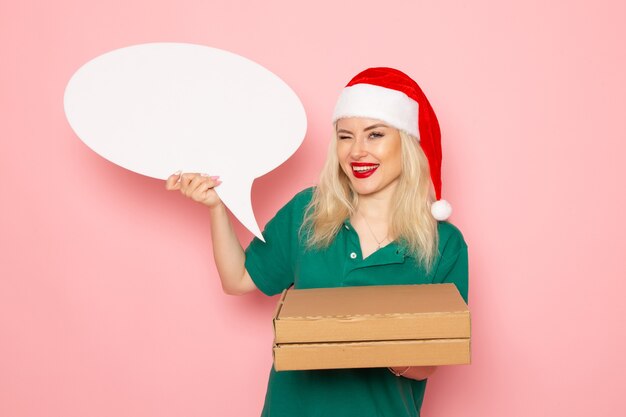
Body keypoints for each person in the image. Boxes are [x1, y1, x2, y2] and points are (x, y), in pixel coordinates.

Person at [165, 67, 468, 417]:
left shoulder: (444, 243)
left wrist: (354, 337)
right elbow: (237, 280)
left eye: (375, 135)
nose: (357, 151)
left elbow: (429, 364)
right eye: (345, 136)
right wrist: (217, 206)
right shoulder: (306, 213)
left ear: (407, 142)